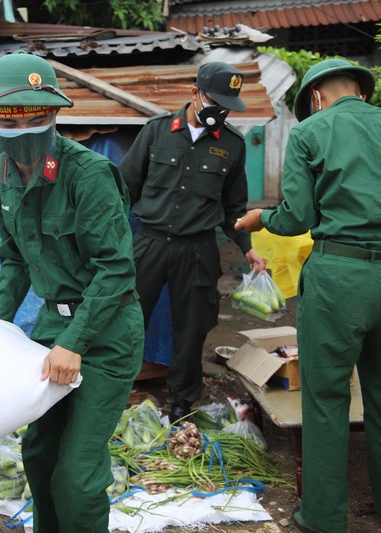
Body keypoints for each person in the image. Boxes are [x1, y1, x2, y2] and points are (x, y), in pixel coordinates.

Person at [0, 51, 145, 532]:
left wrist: (74, 343)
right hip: (51, 327)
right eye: (10, 118)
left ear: (55, 115)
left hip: (105, 332)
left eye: (36, 116)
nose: (22, 128)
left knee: (78, 475)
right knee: (39, 453)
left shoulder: (87, 175)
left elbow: (116, 270)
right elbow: (14, 258)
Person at [235, 58, 380, 533]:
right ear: (362, 89)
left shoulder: (311, 131)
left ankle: (321, 517)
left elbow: (297, 216)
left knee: (327, 398)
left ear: (315, 97)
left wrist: (262, 220)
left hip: (340, 277)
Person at [119, 61, 267, 423]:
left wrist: (247, 246)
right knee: (126, 319)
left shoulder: (232, 145)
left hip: (198, 248)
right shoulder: (156, 132)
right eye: (214, 101)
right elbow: (123, 188)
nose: (220, 110)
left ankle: (183, 402)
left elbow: (234, 206)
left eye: (227, 105)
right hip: (150, 243)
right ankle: (115, 390)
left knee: (192, 326)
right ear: (194, 93)